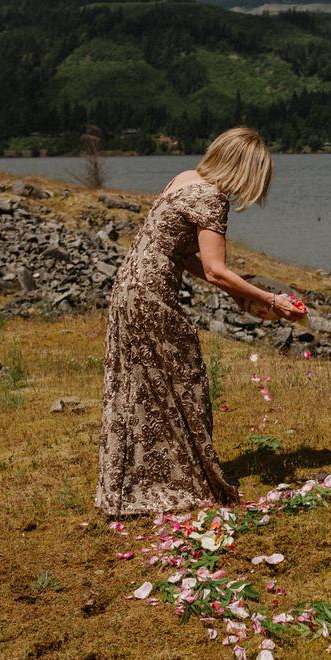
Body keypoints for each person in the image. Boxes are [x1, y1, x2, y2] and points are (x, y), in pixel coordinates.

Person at [96, 127, 304, 516]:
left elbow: (181, 255)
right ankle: (175, 479)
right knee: (184, 380)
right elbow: (216, 270)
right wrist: (271, 299)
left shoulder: (185, 179)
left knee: (144, 385)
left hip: (128, 288)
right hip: (150, 295)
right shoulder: (211, 199)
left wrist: (239, 295)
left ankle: (136, 480)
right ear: (245, 170)